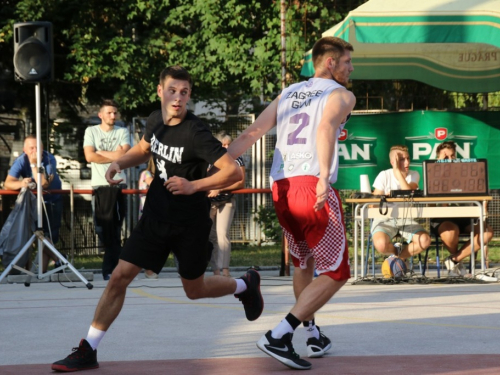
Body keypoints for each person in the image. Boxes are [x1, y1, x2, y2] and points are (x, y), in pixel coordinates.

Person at [52, 65, 263, 372]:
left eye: (184, 92)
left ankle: (245, 285)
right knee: (119, 277)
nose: (178, 98)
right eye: (172, 91)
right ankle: (89, 349)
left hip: (189, 223)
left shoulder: (196, 132)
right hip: (155, 216)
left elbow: (235, 172)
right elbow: (142, 148)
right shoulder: (154, 120)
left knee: (195, 290)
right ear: (160, 91)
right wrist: (119, 163)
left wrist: (194, 186)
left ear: (189, 95)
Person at [227, 36, 356, 370]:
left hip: (281, 189)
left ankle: (312, 333)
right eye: (347, 62)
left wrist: (216, 167)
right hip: (311, 184)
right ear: (330, 62)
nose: (351, 68)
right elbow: (326, 127)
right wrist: (324, 177)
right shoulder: (341, 94)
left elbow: (251, 134)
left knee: (304, 264)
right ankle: (280, 334)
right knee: (337, 272)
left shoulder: (287, 93)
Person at [430, 141, 494, 276]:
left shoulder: (467, 173)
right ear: (438, 158)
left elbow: (482, 193)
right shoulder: (431, 175)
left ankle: (454, 260)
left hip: (466, 217)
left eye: (452, 156)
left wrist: (483, 208)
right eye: (445, 157)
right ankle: (456, 265)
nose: (449, 160)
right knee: (450, 232)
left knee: (487, 232)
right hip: (443, 219)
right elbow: (429, 204)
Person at [83, 99, 131, 280]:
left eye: (115, 112)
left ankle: (111, 268)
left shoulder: (123, 131)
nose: (113, 116)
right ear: (100, 115)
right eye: (109, 112)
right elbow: (89, 156)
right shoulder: (91, 131)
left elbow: (125, 155)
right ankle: (113, 266)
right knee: (102, 227)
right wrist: (115, 156)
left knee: (117, 227)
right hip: (100, 185)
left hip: (119, 185)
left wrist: (101, 152)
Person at [4, 135, 63, 272]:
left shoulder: (49, 159)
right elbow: (8, 183)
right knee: (39, 236)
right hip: (33, 204)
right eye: (31, 148)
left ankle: (43, 270)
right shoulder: (20, 161)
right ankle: (58, 260)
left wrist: (34, 165)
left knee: (48, 236)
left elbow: (43, 184)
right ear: (25, 150)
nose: (34, 151)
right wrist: (21, 183)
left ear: (43, 149)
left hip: (52, 201)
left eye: (38, 148)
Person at [371, 145, 431, 261]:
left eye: (408, 158)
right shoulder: (384, 175)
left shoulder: (414, 174)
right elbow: (373, 205)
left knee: (425, 240)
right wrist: (384, 198)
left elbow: (408, 192)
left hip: (406, 218)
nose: (407, 162)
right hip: (385, 218)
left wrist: (397, 172)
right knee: (381, 245)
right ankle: (396, 251)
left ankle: (399, 258)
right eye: (402, 160)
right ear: (392, 162)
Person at [208, 132, 246, 277]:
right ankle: (215, 270)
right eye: (223, 144)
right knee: (210, 237)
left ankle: (225, 270)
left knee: (222, 234)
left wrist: (220, 188)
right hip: (210, 202)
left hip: (227, 200)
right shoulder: (210, 157)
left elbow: (240, 181)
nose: (226, 147)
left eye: (229, 144)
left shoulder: (238, 158)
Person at [138, 157, 158, 279]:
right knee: (149, 242)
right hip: (147, 213)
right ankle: (148, 269)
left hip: (155, 212)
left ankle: (150, 268)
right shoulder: (146, 174)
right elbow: (155, 185)